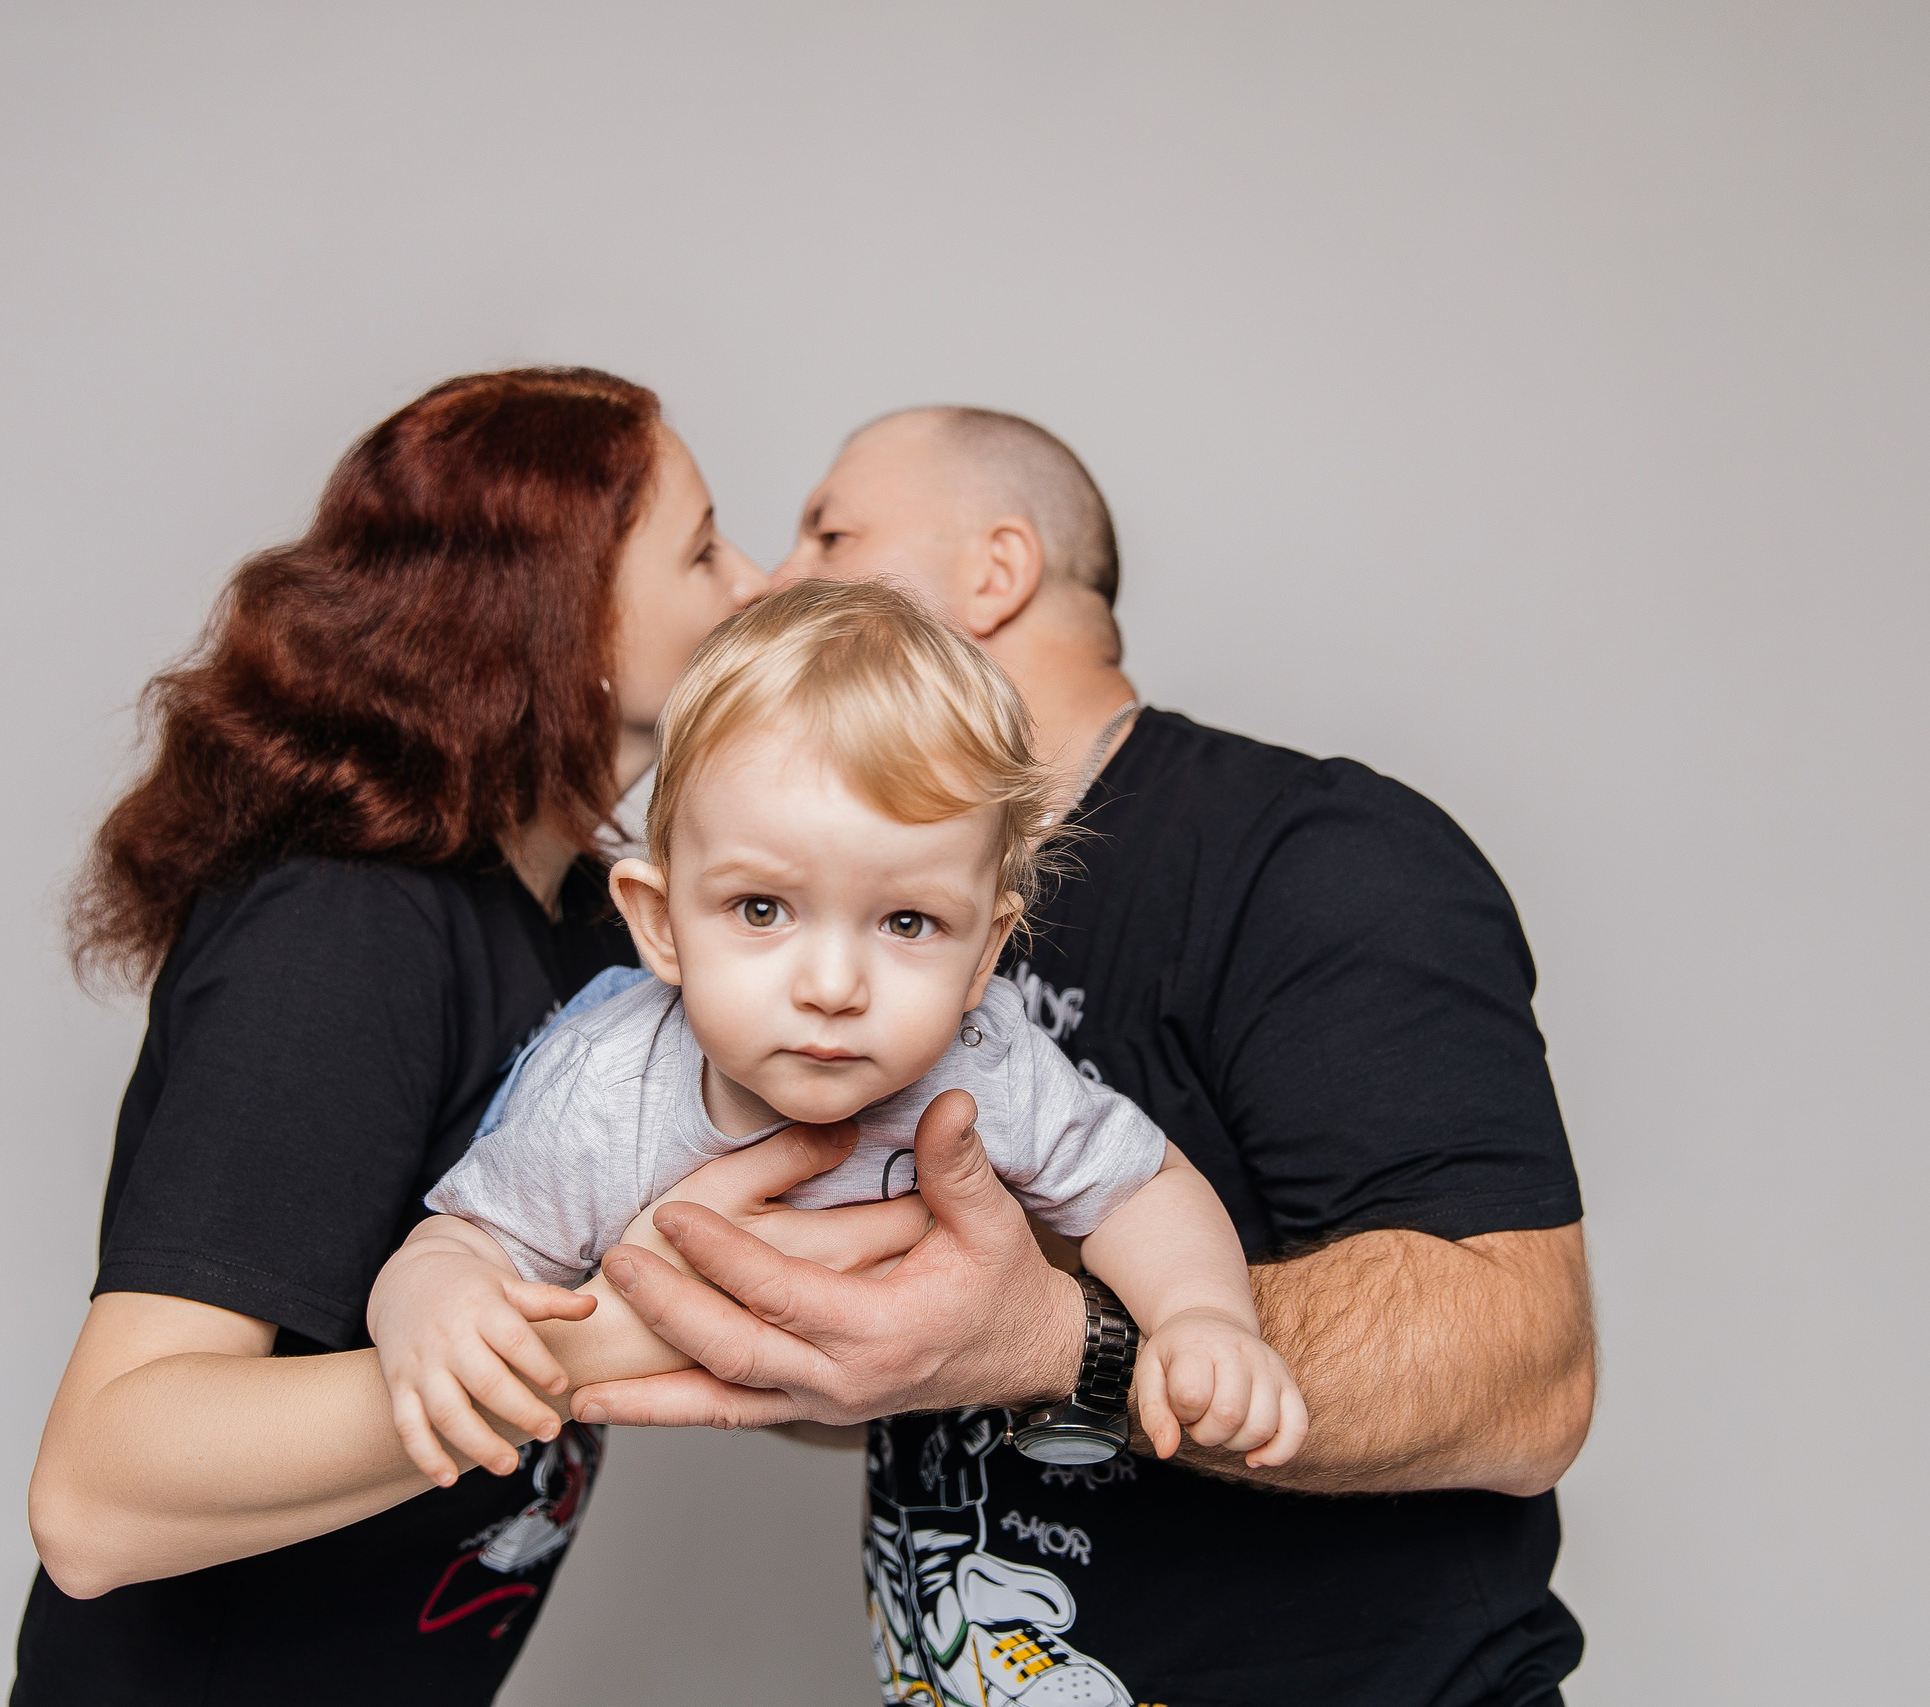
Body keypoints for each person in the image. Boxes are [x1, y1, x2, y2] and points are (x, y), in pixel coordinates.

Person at [561, 407, 1599, 1705]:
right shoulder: (808, 938)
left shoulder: (1317, 856)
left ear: (995, 574)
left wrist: (1067, 1337)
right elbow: (906, 1364)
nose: (769, 580)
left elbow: (1524, 1368)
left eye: (830, 529)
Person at [13, 368, 908, 1705]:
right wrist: (601, 1335)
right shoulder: (344, 927)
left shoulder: (605, 939)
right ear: (578, 618)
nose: (760, 578)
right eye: (706, 543)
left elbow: (729, 1298)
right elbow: (95, 1496)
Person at [369, 578, 1309, 1495]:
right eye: (762, 907)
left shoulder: (989, 1061)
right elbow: (467, 1242)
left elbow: (1140, 1189)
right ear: (660, 922)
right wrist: (432, 1298)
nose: (830, 987)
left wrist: (1203, 1316)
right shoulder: (607, 1088)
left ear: (985, 953)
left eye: (906, 923)